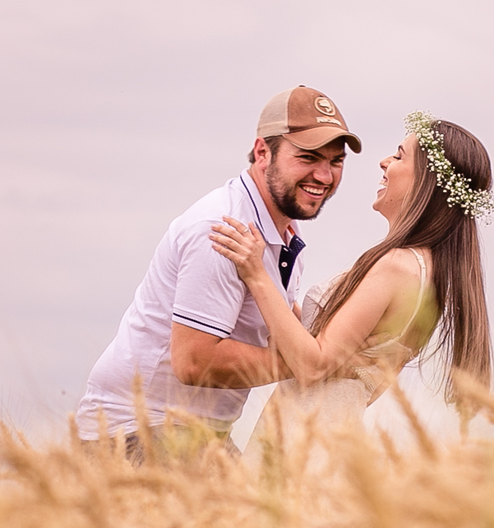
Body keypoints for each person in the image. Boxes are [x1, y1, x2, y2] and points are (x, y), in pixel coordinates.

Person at [75, 86, 362, 463]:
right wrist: (312, 362)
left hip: (196, 432)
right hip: (139, 432)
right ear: (263, 152)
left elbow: (282, 326)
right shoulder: (221, 230)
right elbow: (194, 361)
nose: (324, 175)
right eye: (308, 157)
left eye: (336, 161)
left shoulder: (283, 232)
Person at [210, 111, 494, 457]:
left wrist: (256, 273)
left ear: (426, 182)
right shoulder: (427, 276)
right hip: (326, 442)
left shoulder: (396, 268)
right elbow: (362, 382)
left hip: (302, 446)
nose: (384, 162)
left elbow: (312, 365)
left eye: (399, 156)